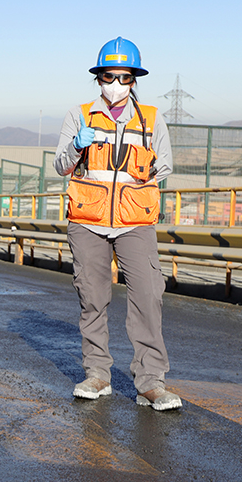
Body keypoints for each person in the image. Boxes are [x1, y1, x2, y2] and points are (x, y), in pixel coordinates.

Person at [53, 38, 181, 410]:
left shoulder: (152, 119)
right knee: (92, 298)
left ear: (134, 81)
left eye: (125, 77)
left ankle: (151, 382)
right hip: (88, 220)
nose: (116, 84)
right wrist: (77, 146)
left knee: (147, 296)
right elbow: (61, 166)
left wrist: (137, 180)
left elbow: (165, 165)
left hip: (134, 221)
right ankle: (97, 375)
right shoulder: (79, 116)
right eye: (109, 76)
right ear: (98, 79)